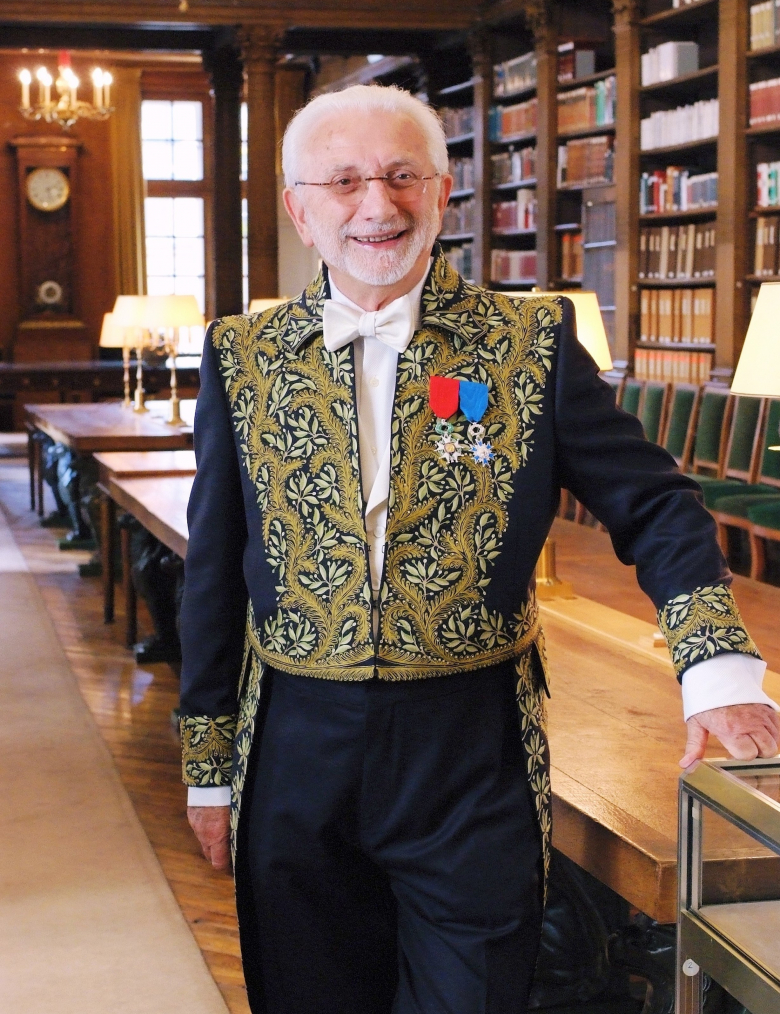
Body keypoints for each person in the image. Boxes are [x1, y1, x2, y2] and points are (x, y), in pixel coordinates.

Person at [179, 84, 779, 1014]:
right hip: (295, 745)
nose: (377, 206)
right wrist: (208, 768)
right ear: (299, 206)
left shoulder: (532, 344)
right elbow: (214, 575)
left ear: (446, 189)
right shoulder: (240, 356)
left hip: (472, 754)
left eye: (401, 176)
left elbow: (655, 503)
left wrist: (719, 674)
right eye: (343, 182)